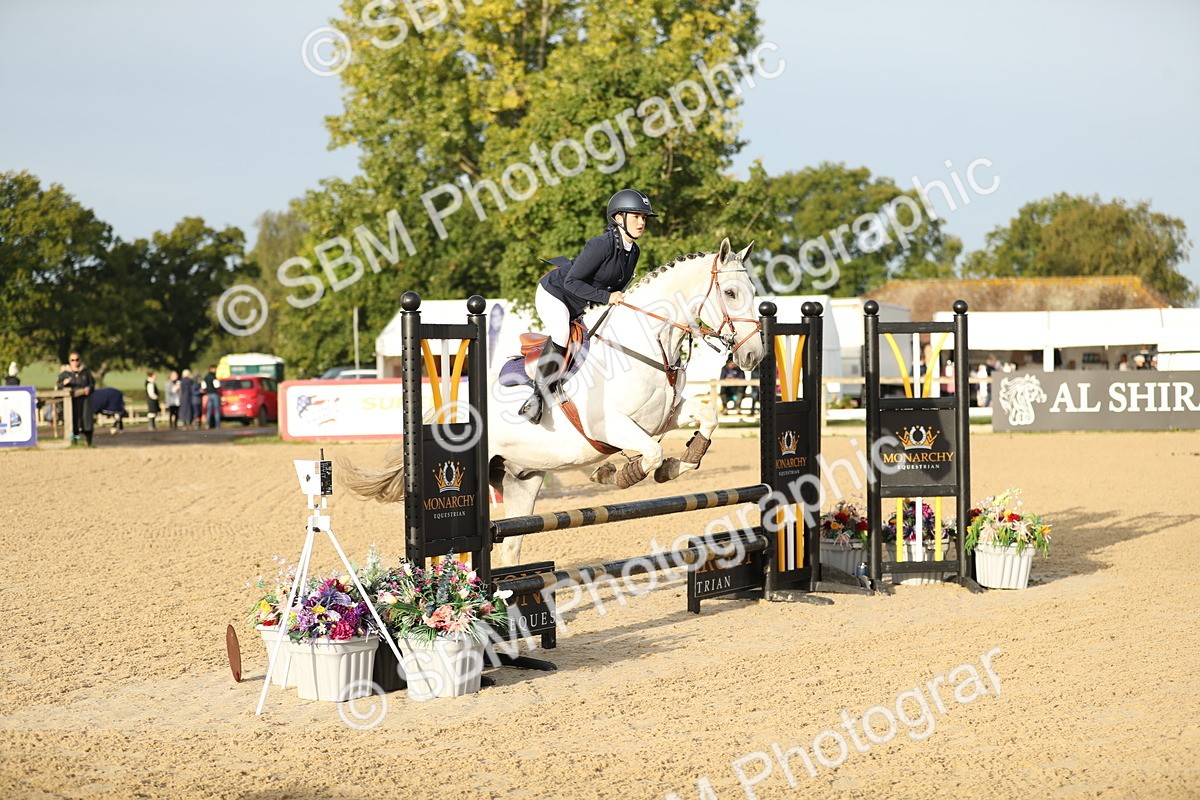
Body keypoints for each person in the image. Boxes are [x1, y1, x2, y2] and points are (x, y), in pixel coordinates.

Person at [519, 189, 657, 423]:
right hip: (555, 294)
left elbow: (617, 289)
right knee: (561, 333)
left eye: (644, 218)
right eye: (636, 216)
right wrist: (607, 298)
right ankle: (536, 397)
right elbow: (572, 282)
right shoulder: (600, 245)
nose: (642, 222)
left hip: (583, 302)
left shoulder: (633, 251)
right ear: (617, 218)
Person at [57, 352, 95, 446]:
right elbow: (58, 386)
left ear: (80, 360)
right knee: (73, 421)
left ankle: (88, 443)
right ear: (69, 361)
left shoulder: (86, 373)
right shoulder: (65, 374)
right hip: (71, 402)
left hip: (85, 401)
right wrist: (63, 384)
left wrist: (89, 388)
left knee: (86, 422)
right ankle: (73, 443)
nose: (75, 362)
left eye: (77, 359)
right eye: (72, 360)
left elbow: (92, 384)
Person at [202, 364, 222, 429]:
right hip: (214, 394)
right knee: (216, 410)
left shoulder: (205, 377)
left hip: (208, 394)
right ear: (212, 369)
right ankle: (217, 425)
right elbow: (217, 386)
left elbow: (203, 387)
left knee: (209, 410)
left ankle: (207, 424)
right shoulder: (213, 377)